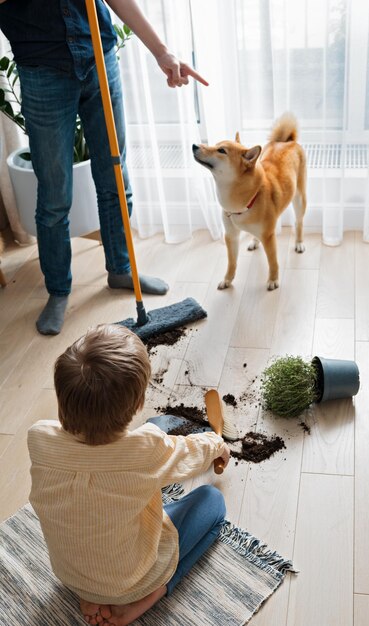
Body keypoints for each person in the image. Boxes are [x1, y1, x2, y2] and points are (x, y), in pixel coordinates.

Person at [0, 0, 208, 336]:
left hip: (98, 54)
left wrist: (161, 51)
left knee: (115, 174)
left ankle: (121, 269)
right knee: (54, 192)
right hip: (42, 69)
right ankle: (58, 290)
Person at [27, 323, 230, 626]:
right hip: (134, 581)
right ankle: (147, 598)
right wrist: (217, 444)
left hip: (71, 576)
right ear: (137, 403)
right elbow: (189, 454)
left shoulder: (38, 437)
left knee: (109, 509)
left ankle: (91, 591)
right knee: (212, 503)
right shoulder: (146, 450)